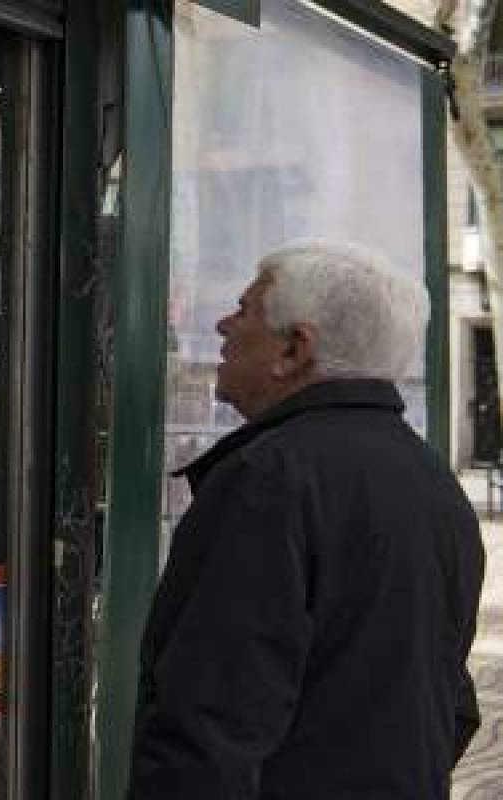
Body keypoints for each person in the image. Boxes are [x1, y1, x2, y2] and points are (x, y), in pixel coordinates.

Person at [129, 241, 485, 799]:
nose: (222, 325)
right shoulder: (435, 483)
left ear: (294, 349)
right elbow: (450, 708)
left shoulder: (268, 479)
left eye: (244, 310)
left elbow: (208, 725)